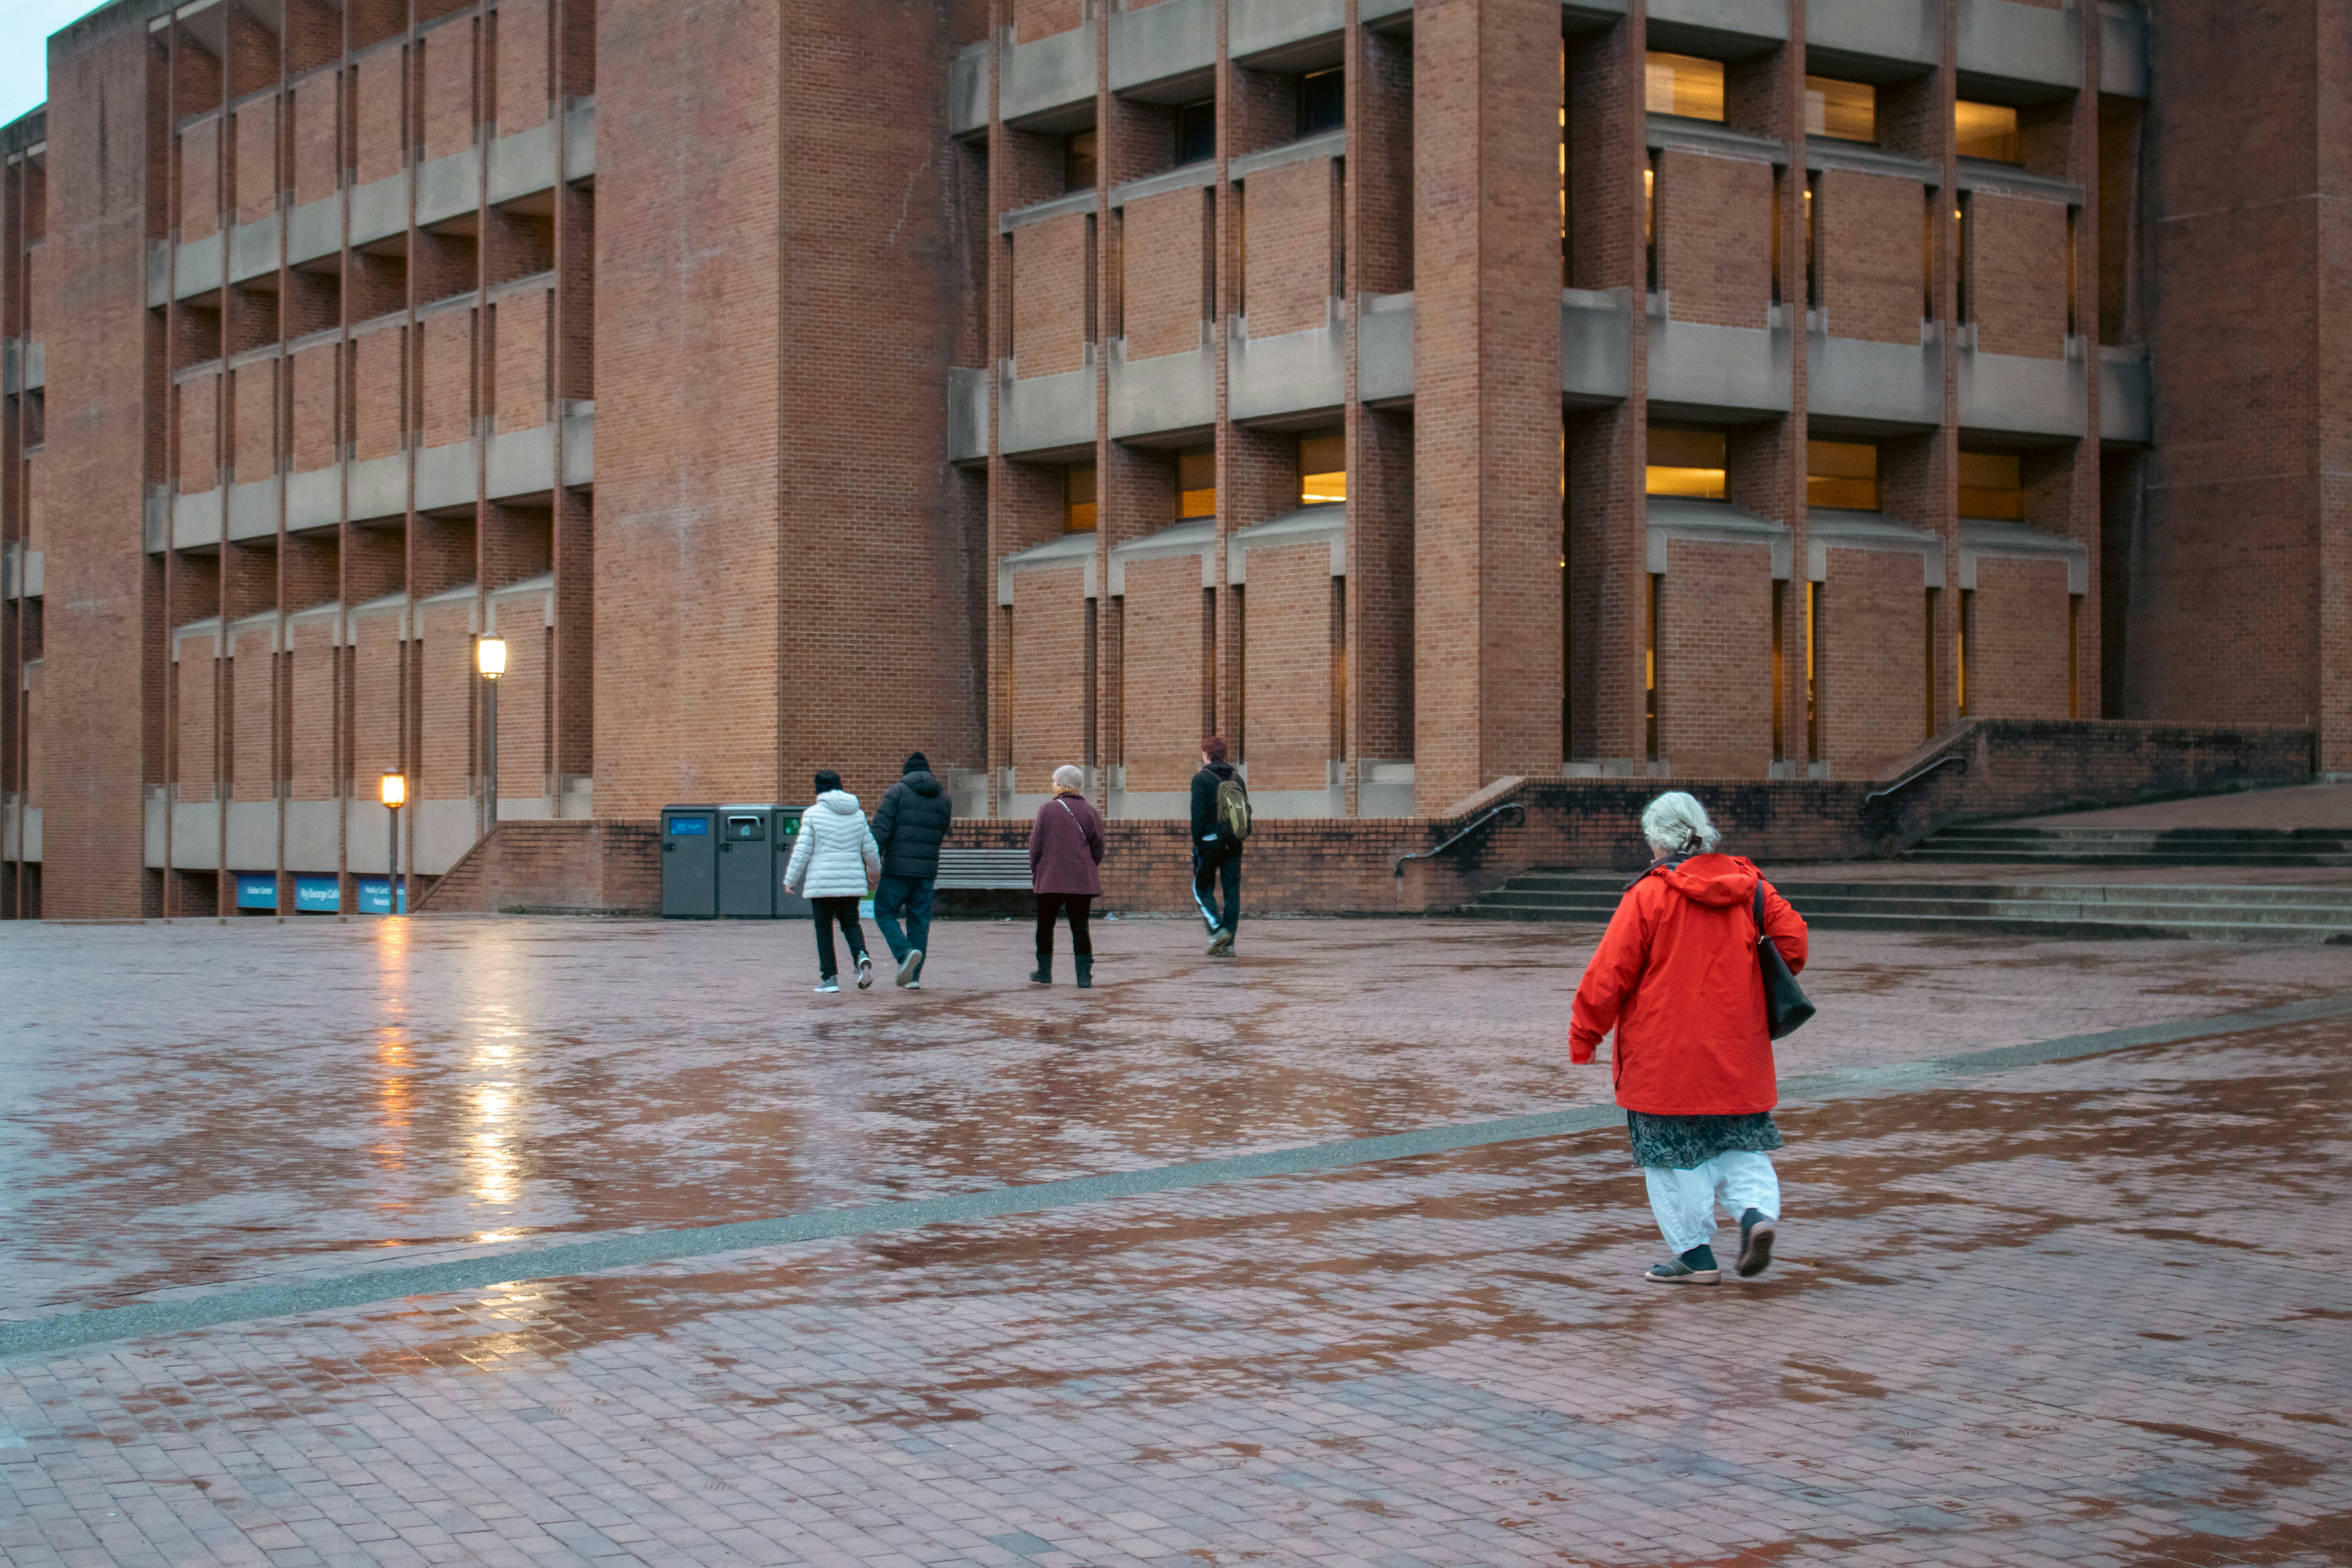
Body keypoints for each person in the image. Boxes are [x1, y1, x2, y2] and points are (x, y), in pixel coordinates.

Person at [1568, 790, 1808, 1285]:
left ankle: (1695, 1256)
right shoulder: (1751, 886)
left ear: (1659, 839)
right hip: (1737, 1052)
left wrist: (1585, 1034)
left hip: (1663, 1056)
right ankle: (1755, 1215)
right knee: (1741, 1145)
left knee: (1671, 1156)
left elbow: (1609, 974)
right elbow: (1793, 943)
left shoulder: (1650, 894)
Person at [783, 769, 881, 994]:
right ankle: (861, 956)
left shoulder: (813, 814)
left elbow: (802, 851)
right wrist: (874, 874)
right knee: (851, 923)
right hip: (851, 882)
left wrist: (791, 879)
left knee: (824, 929)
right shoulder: (857, 814)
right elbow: (870, 849)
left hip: (822, 883)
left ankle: (830, 979)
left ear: (818, 789)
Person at [871, 751, 953, 989]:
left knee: (884, 911)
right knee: (919, 921)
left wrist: (872, 862)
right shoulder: (944, 799)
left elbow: (881, 832)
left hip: (897, 869)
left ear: (907, 773)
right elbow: (943, 830)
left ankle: (904, 953)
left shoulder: (896, 793)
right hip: (927, 871)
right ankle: (914, 978)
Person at [1027, 764, 1105, 987]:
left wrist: (1037, 870)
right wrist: (1088, 867)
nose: (1053, 785)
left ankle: (1044, 972)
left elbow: (1036, 846)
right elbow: (1098, 847)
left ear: (1062, 785)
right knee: (1080, 927)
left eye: (1055, 781)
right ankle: (1084, 977)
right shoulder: (1091, 812)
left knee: (1045, 925)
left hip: (1050, 879)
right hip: (1081, 881)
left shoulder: (1047, 810)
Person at [1189, 736, 1245, 955]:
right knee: (1232, 892)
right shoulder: (1237, 779)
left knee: (1201, 888)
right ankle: (1229, 943)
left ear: (1206, 755)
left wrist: (1197, 843)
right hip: (1234, 843)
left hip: (1209, 843)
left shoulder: (1201, 779)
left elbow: (1198, 817)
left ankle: (1218, 929)